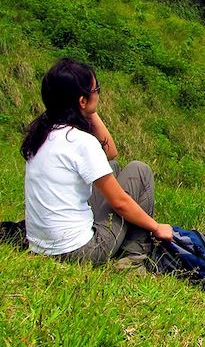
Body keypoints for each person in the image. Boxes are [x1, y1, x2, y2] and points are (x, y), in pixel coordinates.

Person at [21, 57, 172, 264]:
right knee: (140, 170)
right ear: (82, 100)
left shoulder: (40, 135)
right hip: (80, 251)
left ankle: (128, 250)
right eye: (96, 89)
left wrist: (87, 110)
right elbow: (120, 204)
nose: (99, 94)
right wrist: (156, 227)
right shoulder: (80, 141)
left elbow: (110, 153)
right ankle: (134, 257)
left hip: (41, 247)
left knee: (111, 167)